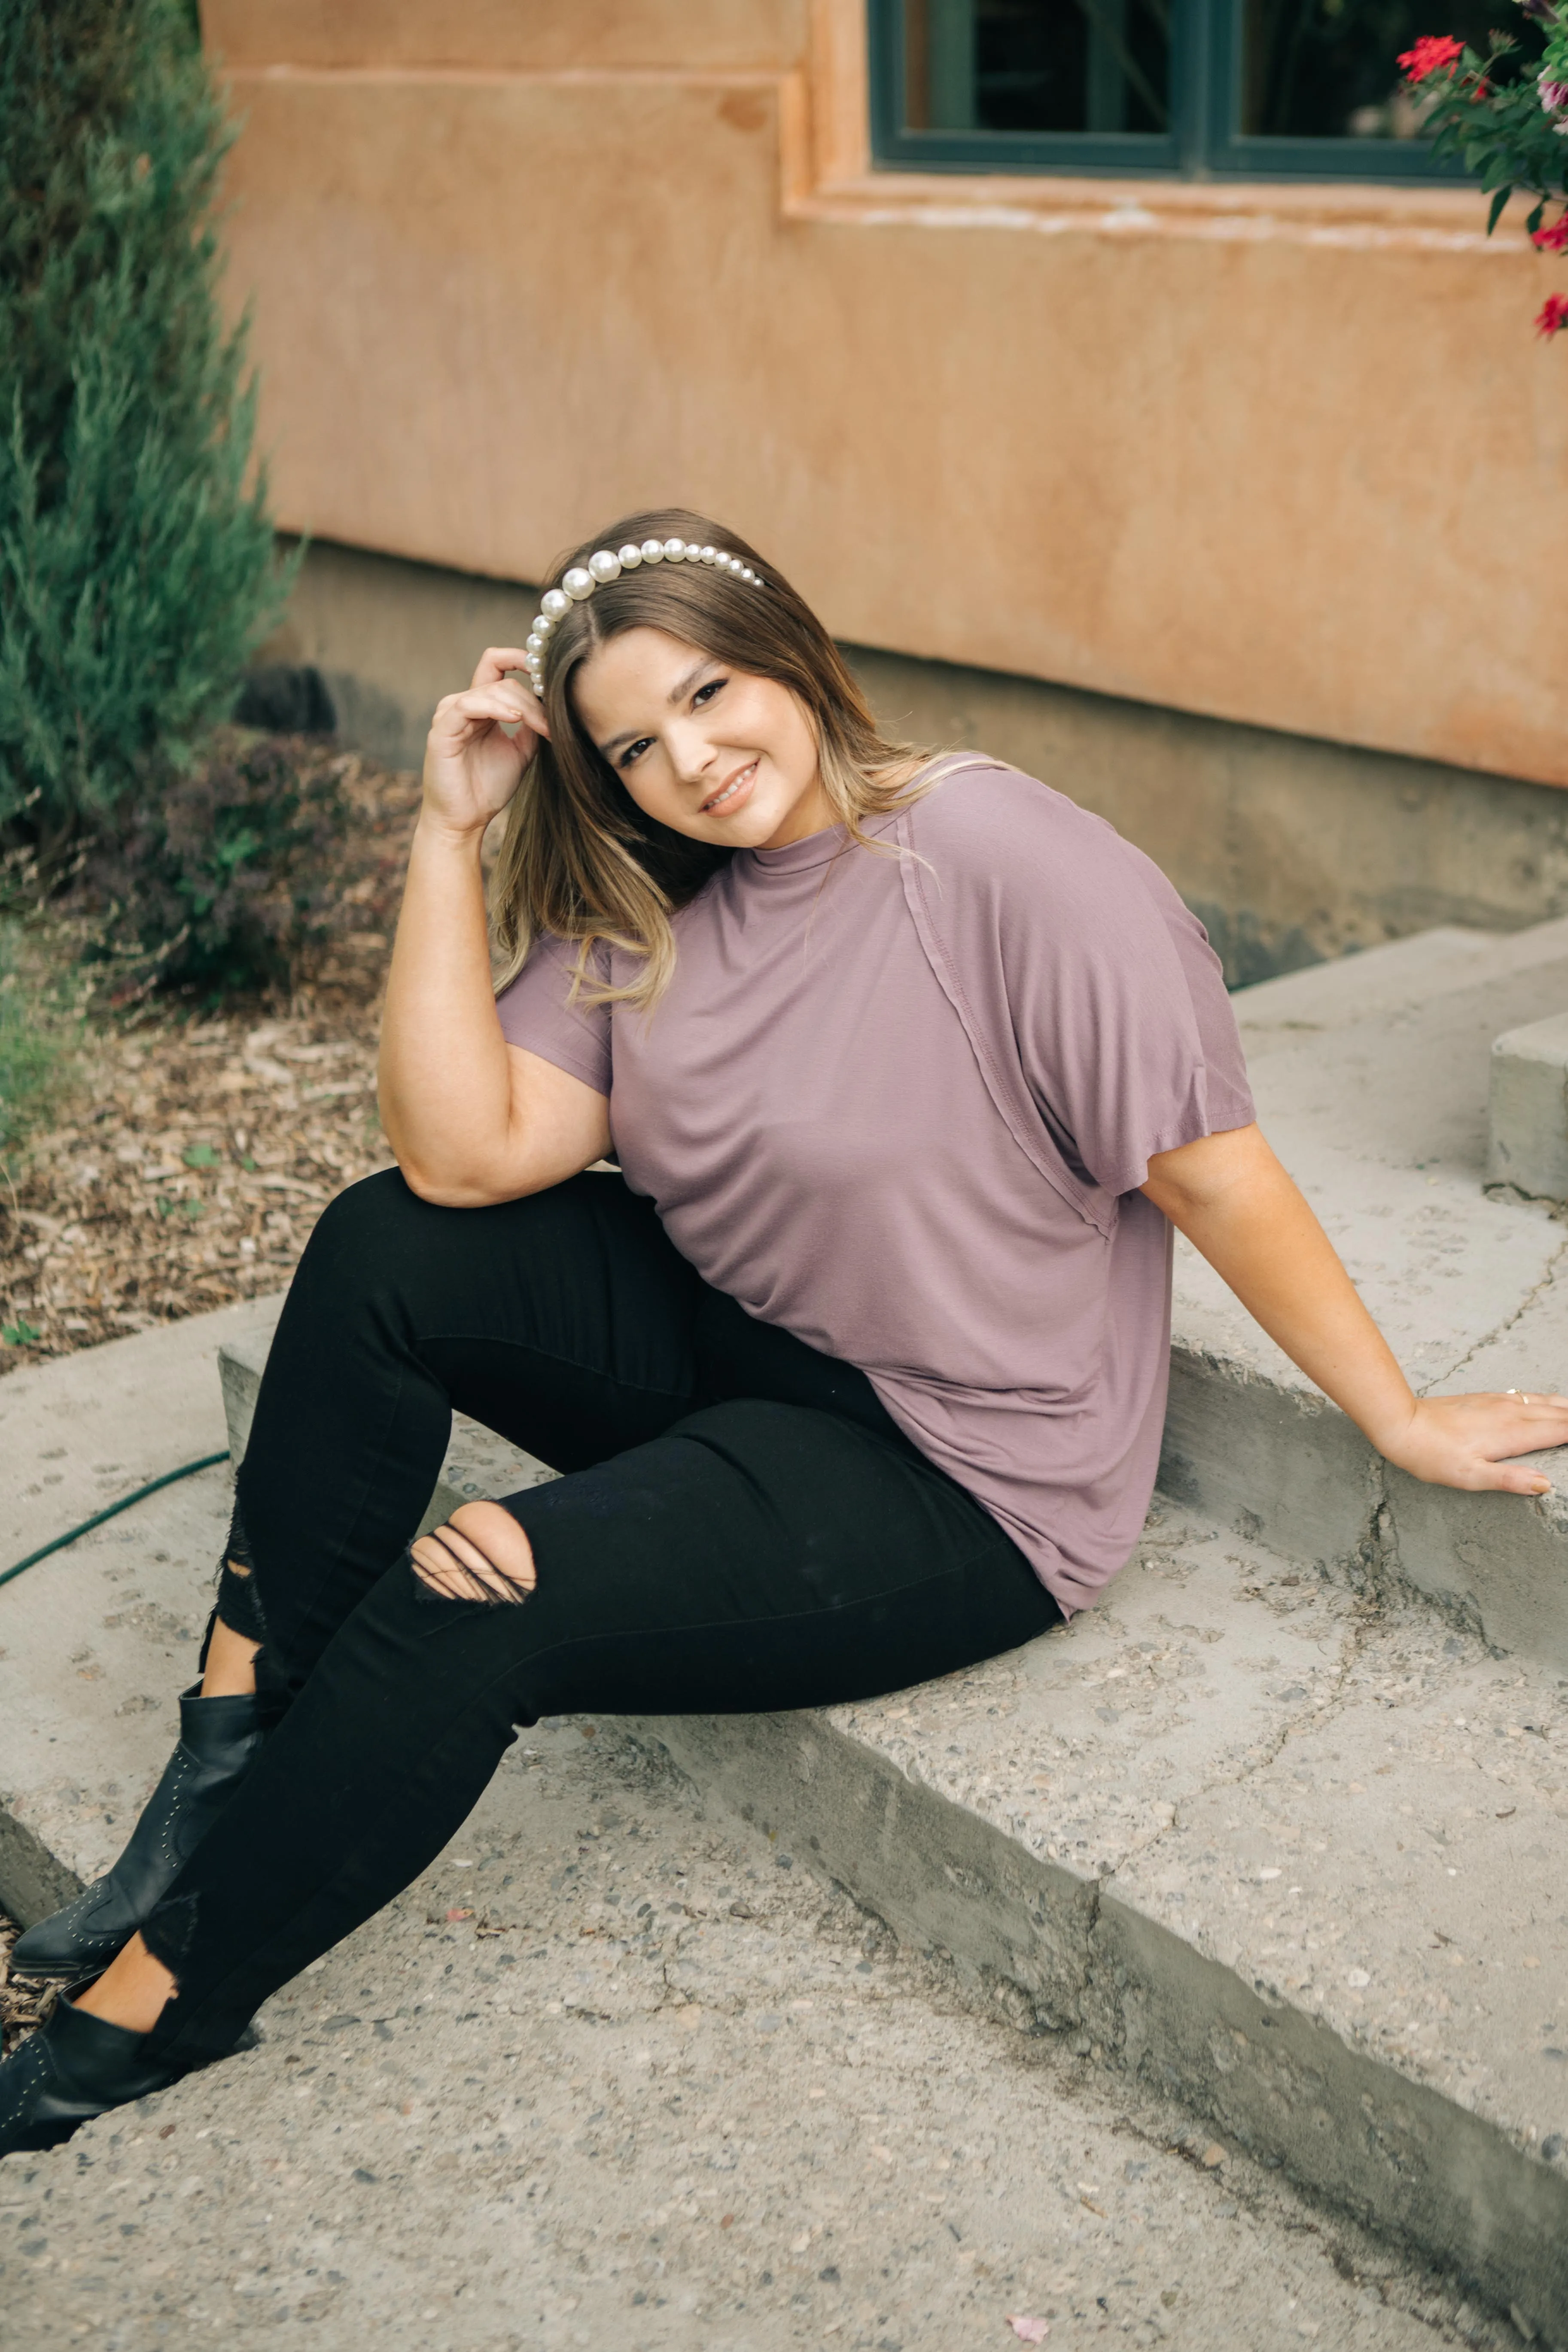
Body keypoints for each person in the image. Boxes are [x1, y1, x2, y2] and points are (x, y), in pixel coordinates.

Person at [4, 508, 1564, 2156]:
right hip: (753, 1338)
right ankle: (225, 1769)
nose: (690, 755)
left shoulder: (1007, 863)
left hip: (951, 1465)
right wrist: (445, 834)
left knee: (471, 1597)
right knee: (382, 1243)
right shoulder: (658, 904)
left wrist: (1393, 1413)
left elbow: (1212, 1172)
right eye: (632, 742)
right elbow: (460, 1154)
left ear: (790, 653)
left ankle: (155, 2008)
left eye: (711, 690)